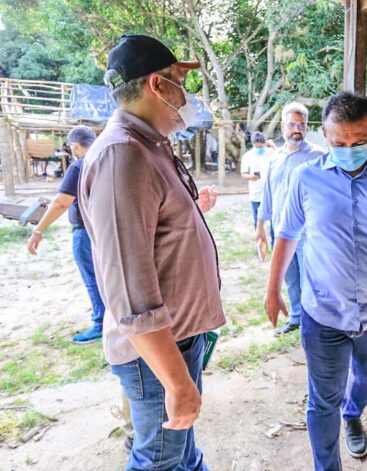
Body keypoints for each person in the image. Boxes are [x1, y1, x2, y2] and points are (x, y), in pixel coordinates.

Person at [265, 92, 367, 470]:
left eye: (360, 141)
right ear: (324, 135)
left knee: (366, 380)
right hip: (323, 314)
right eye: (339, 142)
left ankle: (353, 413)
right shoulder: (305, 177)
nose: (350, 149)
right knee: (322, 400)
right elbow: (287, 235)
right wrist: (272, 289)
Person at [79, 35, 224, 471]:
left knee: (180, 450)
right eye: (182, 80)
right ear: (159, 86)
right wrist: (176, 381)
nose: (188, 93)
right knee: (158, 459)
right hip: (157, 352)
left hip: (178, 339)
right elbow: (130, 291)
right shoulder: (123, 155)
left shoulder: (148, 144)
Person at [27, 125, 105, 344]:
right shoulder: (105, 162)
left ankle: (101, 324)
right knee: (107, 277)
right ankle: (111, 321)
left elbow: (61, 202)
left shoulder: (79, 166)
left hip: (85, 232)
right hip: (105, 229)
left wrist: (38, 230)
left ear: (75, 146)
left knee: (92, 279)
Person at [255, 102, 325, 337]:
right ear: (283, 126)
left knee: (309, 278)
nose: (297, 129)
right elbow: (268, 195)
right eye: (293, 125)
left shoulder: (318, 156)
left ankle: (310, 322)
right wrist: (260, 227)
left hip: (308, 233)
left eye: (302, 125)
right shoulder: (275, 159)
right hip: (279, 231)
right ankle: (295, 317)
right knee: (291, 278)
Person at [240, 132, 273, 227]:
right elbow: (243, 174)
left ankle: (274, 241)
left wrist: (273, 145)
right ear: (253, 144)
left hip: (270, 193)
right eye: (257, 147)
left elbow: (281, 158)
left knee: (274, 221)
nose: (260, 149)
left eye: (261, 147)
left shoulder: (270, 152)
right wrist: (252, 177)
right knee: (257, 221)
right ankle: (260, 241)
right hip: (256, 193)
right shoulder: (247, 156)